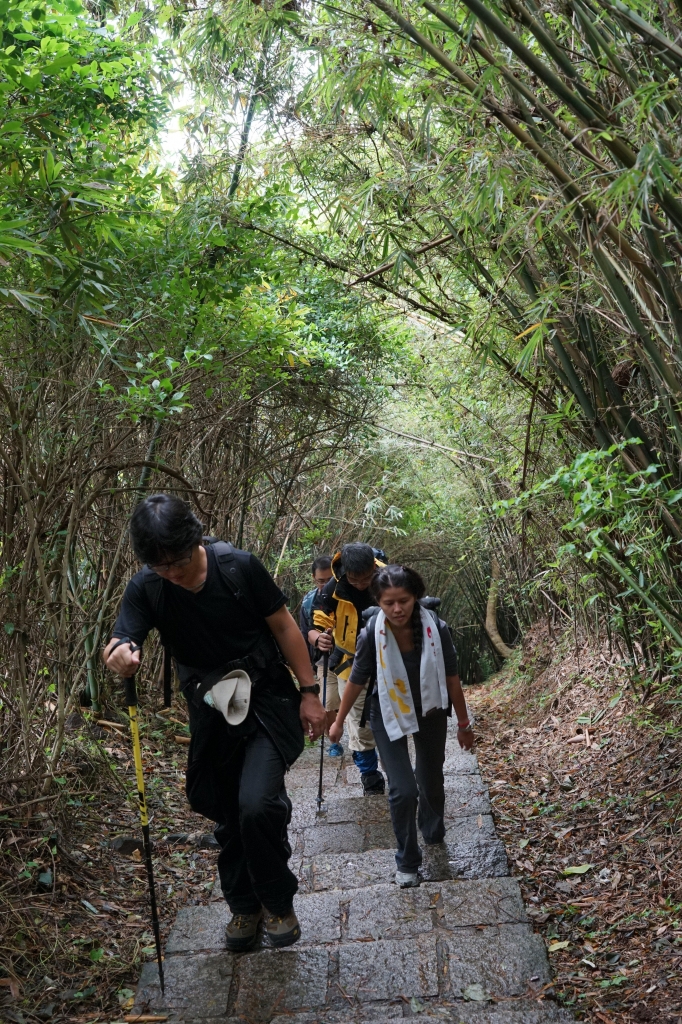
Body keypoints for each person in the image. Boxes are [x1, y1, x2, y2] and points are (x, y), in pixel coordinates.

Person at [103, 494, 326, 952]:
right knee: (227, 811)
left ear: (196, 539)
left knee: (257, 804)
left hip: (265, 698)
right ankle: (243, 905)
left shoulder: (239, 567)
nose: (172, 573)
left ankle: (278, 901)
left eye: (178, 562)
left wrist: (309, 693)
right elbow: (122, 638)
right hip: (211, 709)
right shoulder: (147, 586)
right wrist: (121, 654)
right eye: (160, 566)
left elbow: (285, 627)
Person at [329, 564, 475, 887]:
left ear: (416, 598)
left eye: (404, 601)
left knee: (431, 779)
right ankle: (407, 860)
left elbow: (452, 679)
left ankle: (433, 830)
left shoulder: (436, 628)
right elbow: (357, 679)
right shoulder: (371, 634)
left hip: (432, 709)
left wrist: (464, 724)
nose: (397, 609)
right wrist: (338, 721)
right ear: (378, 603)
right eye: (388, 603)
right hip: (387, 710)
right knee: (403, 790)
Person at [309, 543, 386, 794]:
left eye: (367, 578)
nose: (363, 584)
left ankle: (396, 768)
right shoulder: (333, 588)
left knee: (391, 718)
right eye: (356, 579)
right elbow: (318, 621)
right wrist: (320, 636)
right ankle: (370, 776)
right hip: (350, 663)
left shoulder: (389, 578)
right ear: (345, 572)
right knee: (358, 721)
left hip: (388, 663)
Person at [299, 555, 344, 757]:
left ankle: (364, 743)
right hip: (322, 659)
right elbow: (304, 632)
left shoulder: (347, 596)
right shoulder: (309, 603)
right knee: (328, 702)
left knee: (353, 701)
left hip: (349, 658)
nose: (326, 585)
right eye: (321, 581)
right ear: (313, 578)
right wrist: (317, 639)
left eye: (330, 580)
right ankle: (334, 741)